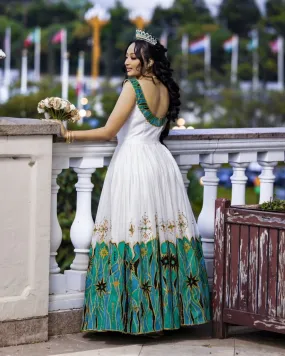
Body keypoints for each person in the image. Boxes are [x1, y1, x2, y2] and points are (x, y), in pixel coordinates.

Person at [57, 29, 210, 335]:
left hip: (134, 165)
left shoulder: (134, 86)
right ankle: (166, 317)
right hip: (159, 163)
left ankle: (134, 318)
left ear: (149, 62)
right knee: (159, 235)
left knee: (132, 233)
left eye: (133, 56)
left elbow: (108, 132)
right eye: (125, 56)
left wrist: (67, 134)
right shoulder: (165, 89)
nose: (126, 61)